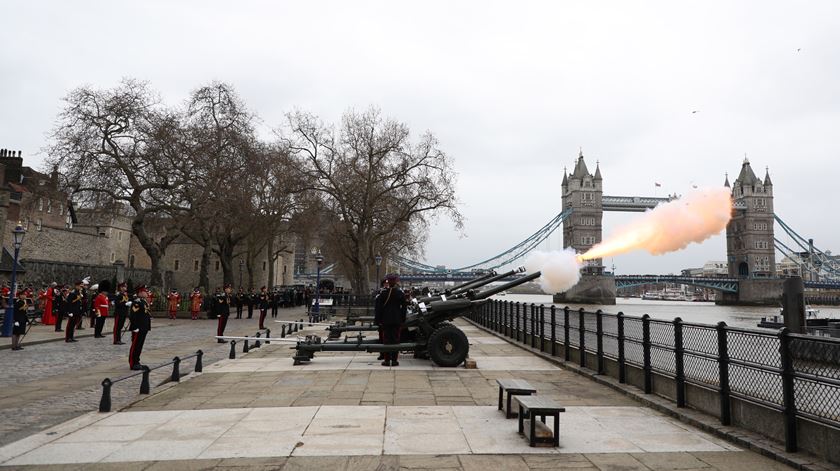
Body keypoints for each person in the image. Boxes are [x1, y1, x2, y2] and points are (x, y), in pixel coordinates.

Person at [375, 274, 407, 367]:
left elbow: (378, 309)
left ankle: (387, 360)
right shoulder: (400, 293)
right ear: (396, 282)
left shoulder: (383, 293)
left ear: (388, 282)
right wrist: (402, 319)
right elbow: (404, 308)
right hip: (397, 320)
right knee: (396, 339)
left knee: (386, 340)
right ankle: (394, 360)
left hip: (385, 320)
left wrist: (378, 320)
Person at [128, 285, 152, 370]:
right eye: (145, 291)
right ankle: (132, 363)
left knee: (140, 345)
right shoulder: (137, 302)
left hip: (143, 327)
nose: (146, 293)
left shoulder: (144, 302)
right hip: (138, 327)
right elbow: (133, 315)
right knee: (135, 345)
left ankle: (137, 361)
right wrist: (134, 326)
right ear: (140, 293)